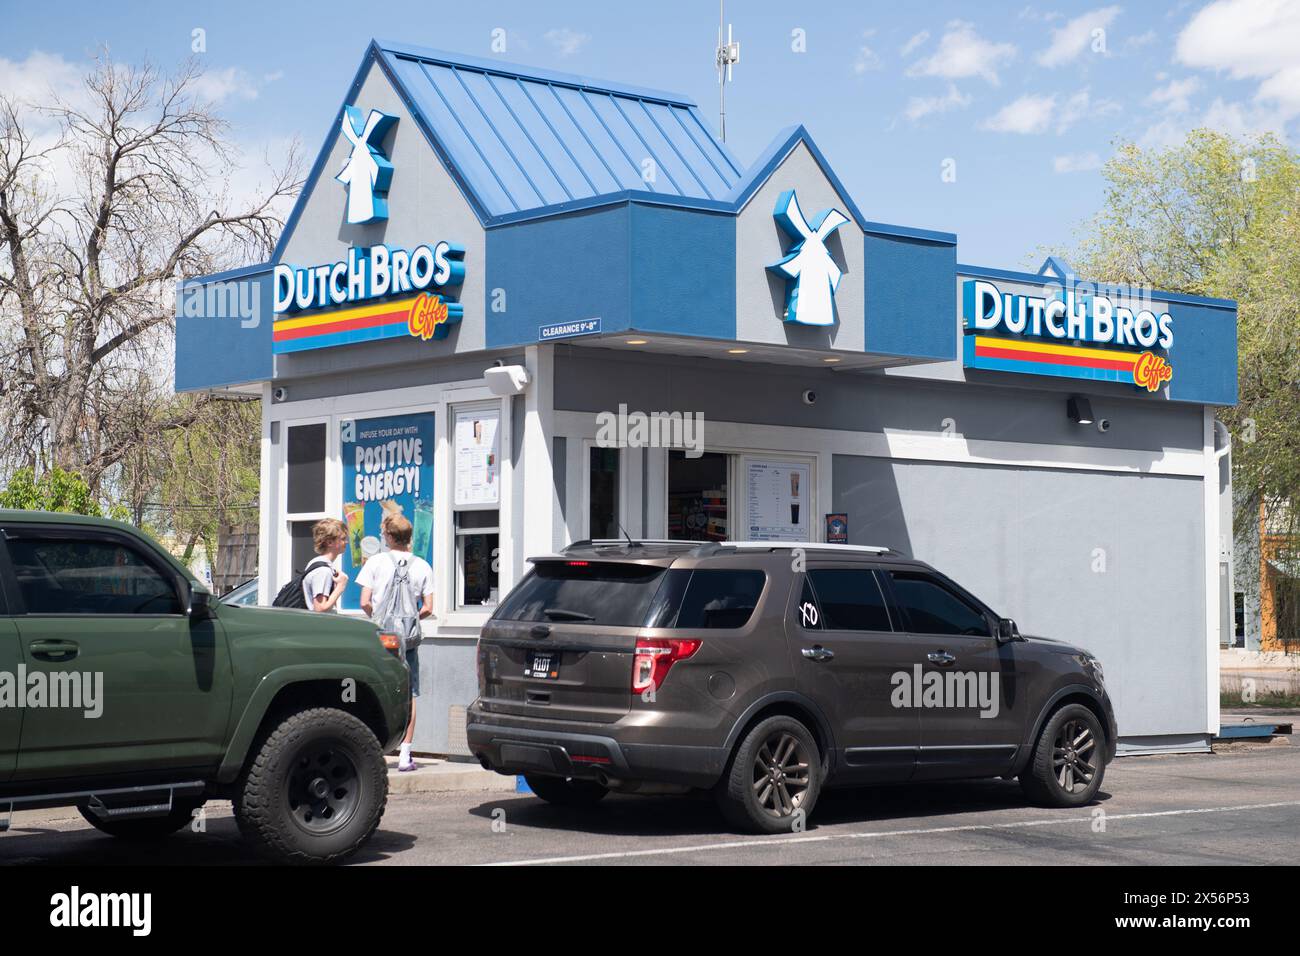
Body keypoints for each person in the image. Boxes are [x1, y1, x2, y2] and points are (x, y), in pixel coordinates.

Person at [359, 513, 433, 772]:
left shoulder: (376, 562)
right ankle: (405, 754)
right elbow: (428, 607)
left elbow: (364, 601)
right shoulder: (423, 566)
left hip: (381, 637)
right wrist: (409, 621)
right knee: (409, 694)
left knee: (374, 688)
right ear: (409, 536)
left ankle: (373, 750)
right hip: (408, 641)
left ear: (388, 536)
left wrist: (379, 619)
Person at [303, 518, 349, 613]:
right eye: (343, 539)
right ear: (329, 542)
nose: (346, 542)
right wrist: (341, 586)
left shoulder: (316, 564)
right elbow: (320, 609)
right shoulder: (323, 571)